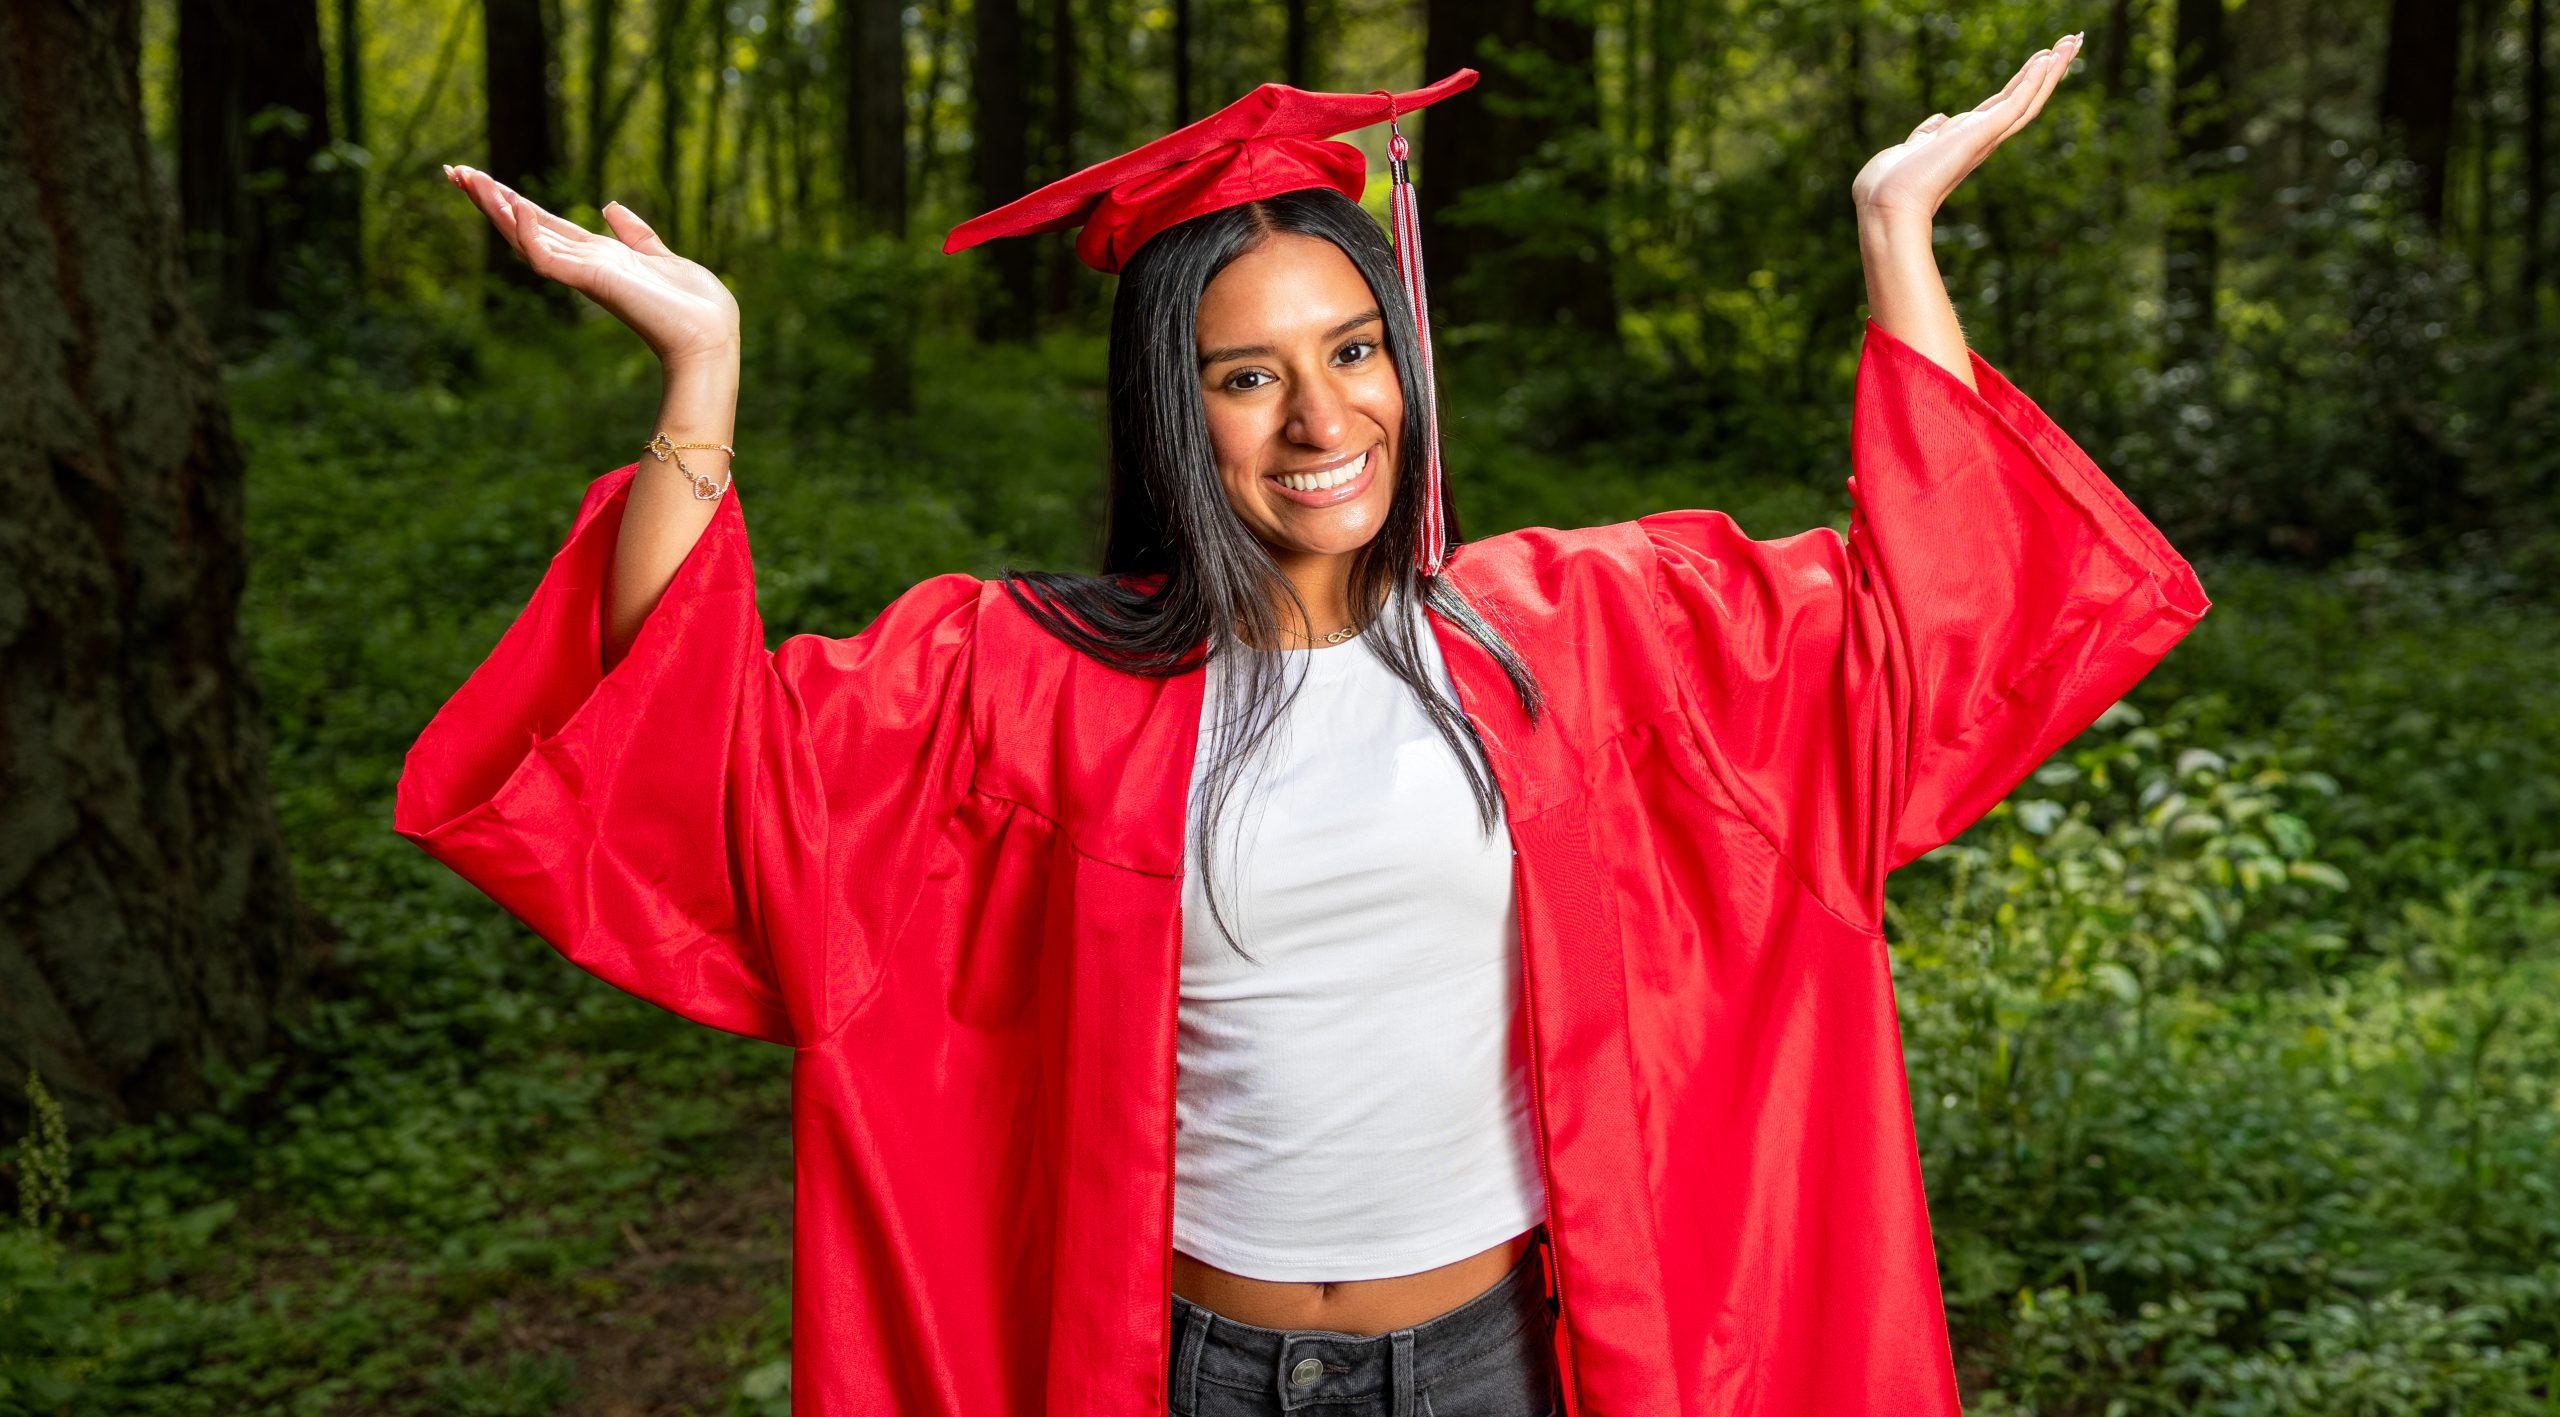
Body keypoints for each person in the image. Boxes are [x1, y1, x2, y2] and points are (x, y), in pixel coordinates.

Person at [400, 35, 2205, 1417]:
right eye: (1247, 373)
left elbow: (1941, 633)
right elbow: (694, 767)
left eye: (1353, 348)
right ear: (1173, 412)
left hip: (1506, 1357)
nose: (1319, 414)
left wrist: (1896, 234)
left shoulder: (1583, 635)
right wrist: (699, 379)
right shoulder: (1018, 684)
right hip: (1188, 1362)